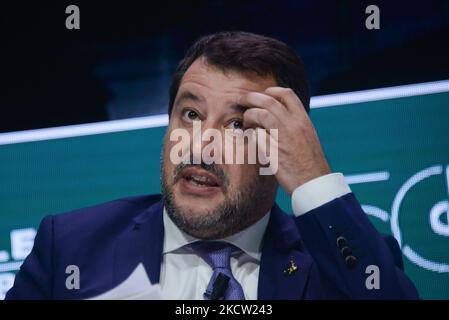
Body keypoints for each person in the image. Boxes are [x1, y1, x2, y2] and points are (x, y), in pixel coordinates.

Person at [6, 31, 418, 300]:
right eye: (189, 115)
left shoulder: (340, 263)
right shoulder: (71, 248)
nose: (200, 146)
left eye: (237, 124)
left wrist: (313, 180)